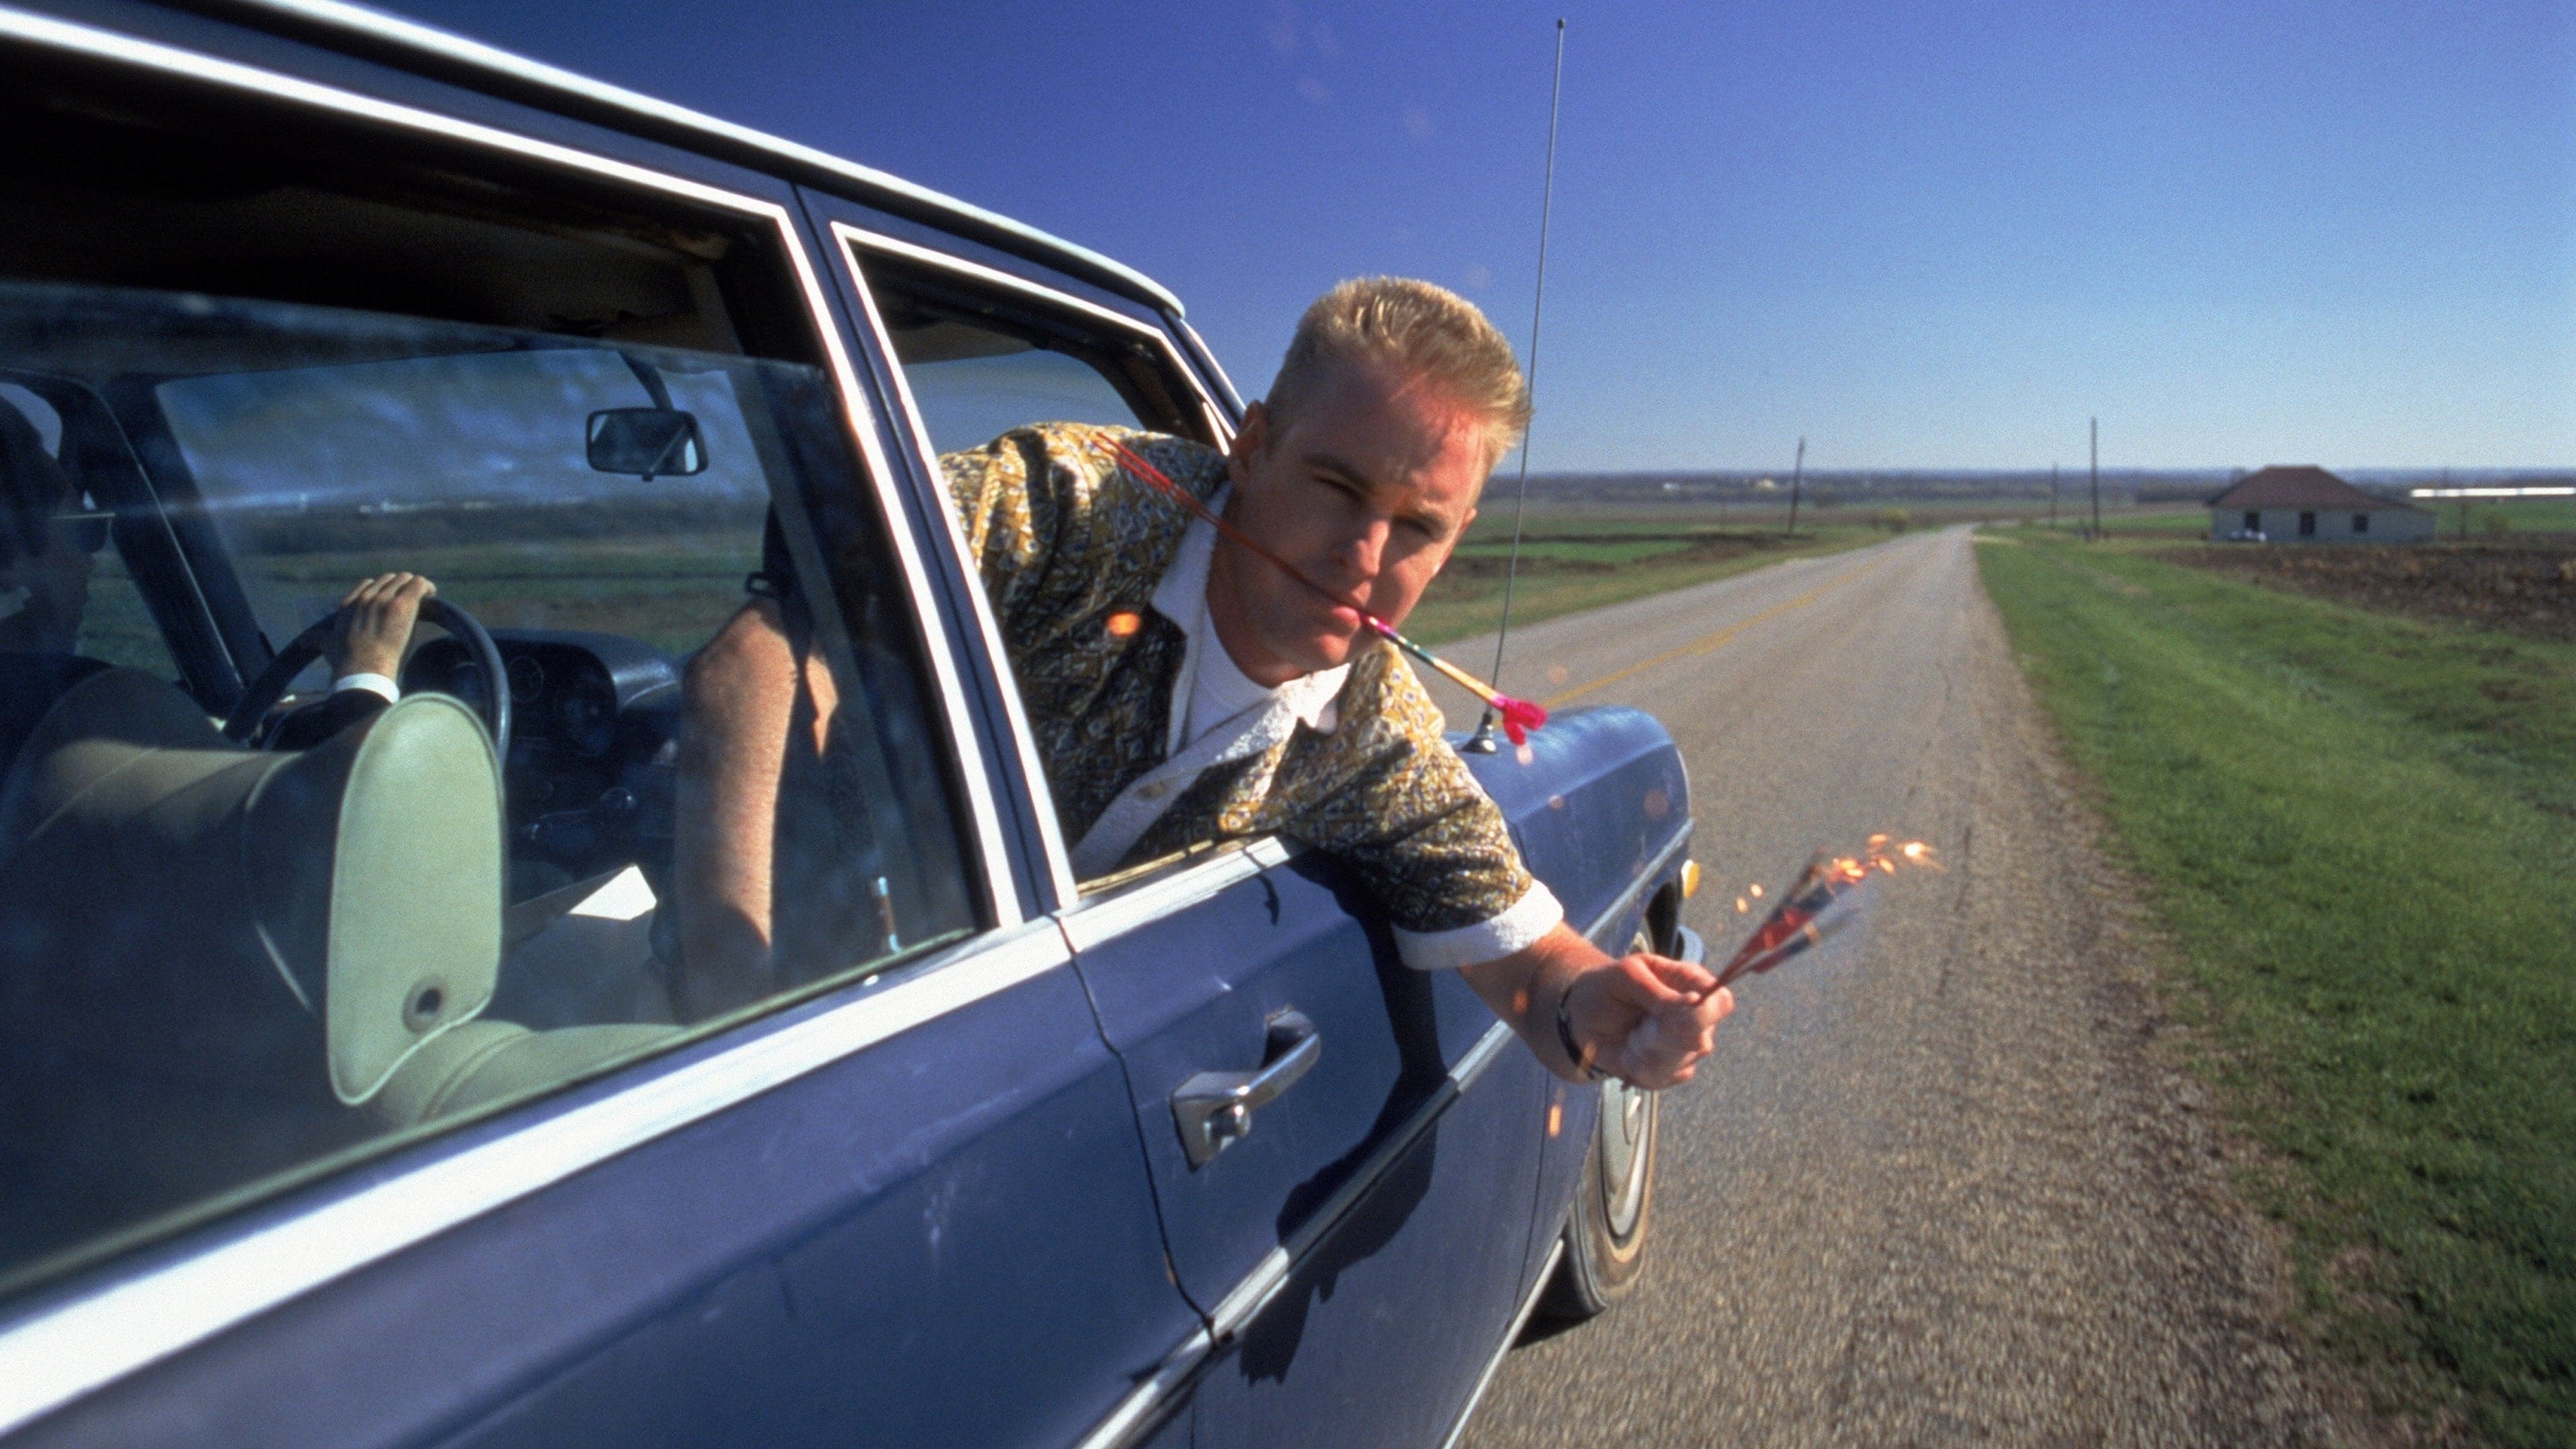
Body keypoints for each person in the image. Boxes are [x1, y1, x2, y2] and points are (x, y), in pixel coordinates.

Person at [678, 278, 1731, 1087]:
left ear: (1452, 547)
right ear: (1254, 444)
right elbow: (762, 653)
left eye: (1416, 526)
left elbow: (1524, 959)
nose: (1364, 556)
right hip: (784, 1004)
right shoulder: (1062, 510)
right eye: (1337, 487)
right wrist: (733, 990)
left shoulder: (1378, 734)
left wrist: (1596, 1009)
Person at [0, 390, 440, 771]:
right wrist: (364, 677)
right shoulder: (88, 714)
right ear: (10, 557)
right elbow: (322, 823)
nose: (90, 560)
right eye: (84, 532)